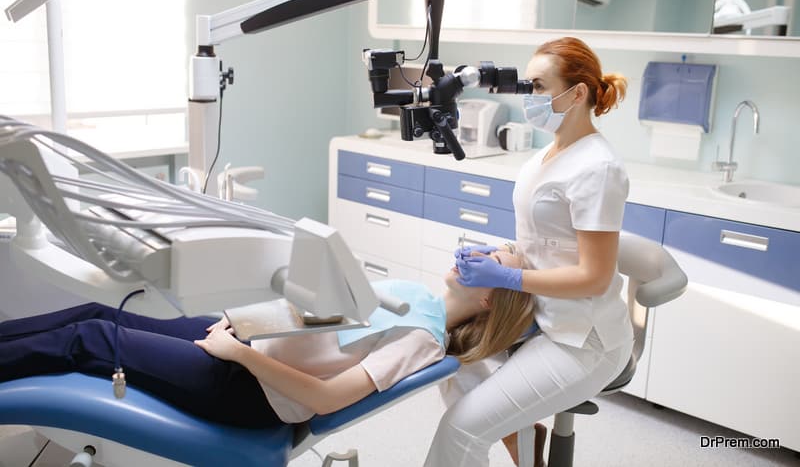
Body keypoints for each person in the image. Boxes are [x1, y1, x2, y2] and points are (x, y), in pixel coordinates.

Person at [0, 249, 534, 429]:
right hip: (246, 346)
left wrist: (236, 354)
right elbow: (317, 317)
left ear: (491, 297)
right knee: (99, 312)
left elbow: (327, 398)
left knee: (91, 338)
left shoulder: (424, 341)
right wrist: (241, 325)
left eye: (493, 262)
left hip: (248, 389)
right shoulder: (411, 291)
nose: (477, 253)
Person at [424, 37, 635, 466]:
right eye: (528, 85)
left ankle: (507, 434)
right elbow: (545, 241)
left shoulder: (598, 167)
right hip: (542, 314)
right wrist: (500, 253)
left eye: (539, 86)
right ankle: (521, 440)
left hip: (583, 340)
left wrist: (508, 278)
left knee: (460, 430)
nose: (529, 97)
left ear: (577, 93)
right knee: (441, 342)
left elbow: (594, 276)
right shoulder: (546, 156)